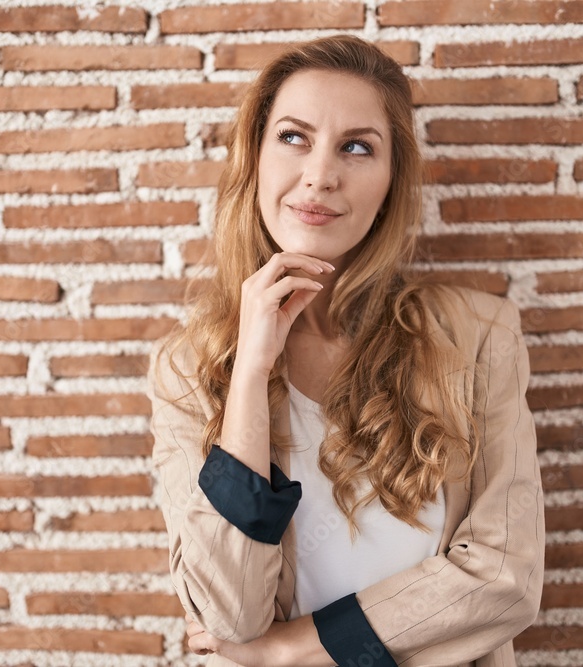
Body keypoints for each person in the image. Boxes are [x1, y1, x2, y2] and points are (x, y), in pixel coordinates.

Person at [146, 34, 544, 667]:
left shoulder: (478, 337)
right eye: (294, 137)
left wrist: (290, 651)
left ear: (391, 181)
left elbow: (505, 579)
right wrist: (250, 373)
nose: (320, 176)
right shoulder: (189, 368)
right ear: (255, 158)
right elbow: (227, 613)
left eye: (357, 147)